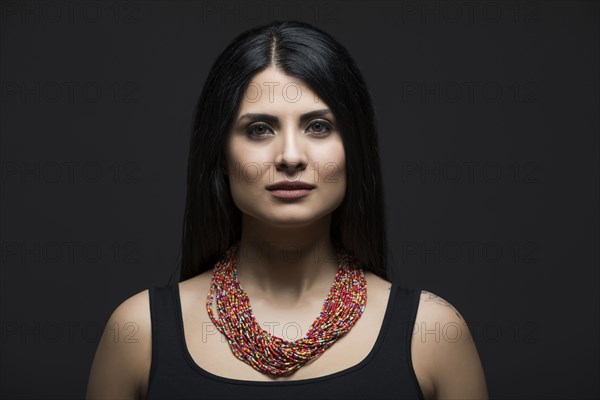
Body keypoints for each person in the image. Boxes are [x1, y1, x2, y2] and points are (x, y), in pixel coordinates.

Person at [86, 20, 488, 400]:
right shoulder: (140, 332)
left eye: (318, 126)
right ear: (220, 154)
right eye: (259, 129)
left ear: (355, 149)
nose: (291, 157)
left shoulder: (433, 333)